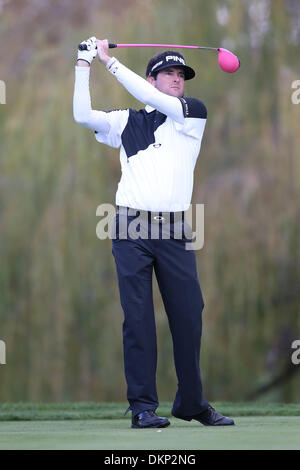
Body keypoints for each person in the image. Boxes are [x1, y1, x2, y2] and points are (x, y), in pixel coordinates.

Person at [73, 36, 234, 429]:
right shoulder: (126, 122)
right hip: (131, 229)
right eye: (169, 73)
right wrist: (83, 64)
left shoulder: (191, 113)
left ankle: (191, 404)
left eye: (181, 74)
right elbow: (82, 115)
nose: (177, 79)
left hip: (177, 231)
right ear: (152, 77)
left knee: (189, 316)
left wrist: (109, 63)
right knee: (139, 319)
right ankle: (143, 407)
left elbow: (154, 98)